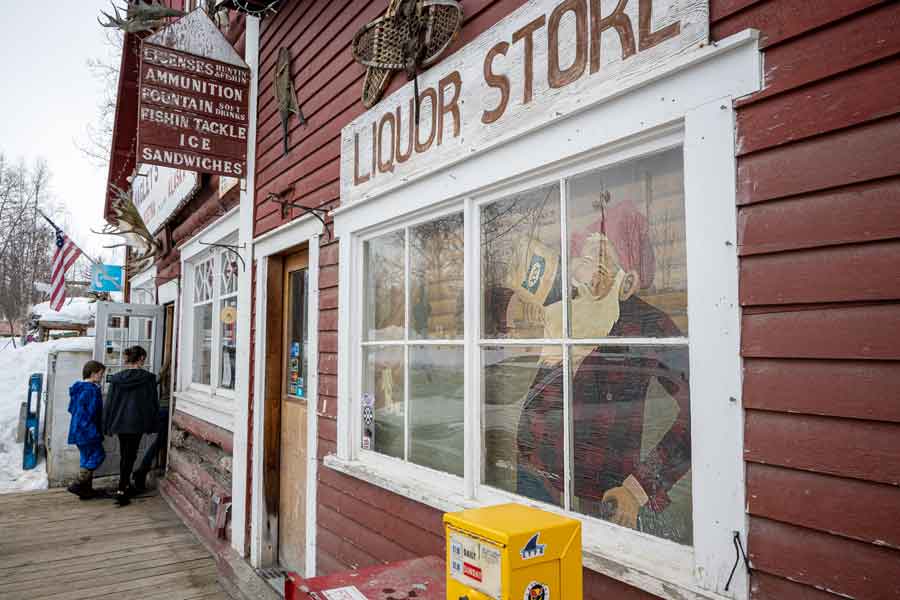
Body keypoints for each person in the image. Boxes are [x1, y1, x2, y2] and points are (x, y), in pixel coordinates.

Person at [513, 201, 691, 542]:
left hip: (602, 495)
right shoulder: (566, 313)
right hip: (536, 475)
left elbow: (700, 410)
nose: (592, 270)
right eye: (586, 257)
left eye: (604, 257)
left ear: (629, 271)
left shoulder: (648, 324)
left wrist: (639, 488)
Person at [104, 345, 159, 505]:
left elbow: (111, 403)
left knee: (124, 454)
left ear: (127, 359)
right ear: (141, 358)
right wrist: (152, 423)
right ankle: (123, 487)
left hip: (121, 422)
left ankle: (123, 486)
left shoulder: (117, 379)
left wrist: (107, 424)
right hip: (137, 422)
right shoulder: (148, 379)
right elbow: (152, 403)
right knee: (131, 454)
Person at [66, 360, 107, 499]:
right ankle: (78, 483)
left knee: (86, 458)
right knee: (98, 454)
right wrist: (93, 431)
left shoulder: (78, 389)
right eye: (101, 374)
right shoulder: (91, 390)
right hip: (87, 431)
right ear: (94, 374)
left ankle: (85, 491)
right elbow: (86, 414)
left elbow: (71, 409)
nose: (102, 377)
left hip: (76, 430)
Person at [132, 358, 170, 493]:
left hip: (161, 407)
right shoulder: (177, 372)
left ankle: (142, 470)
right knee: (159, 441)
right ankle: (142, 470)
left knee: (158, 441)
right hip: (166, 408)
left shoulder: (164, 370)